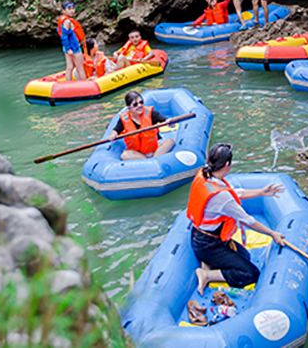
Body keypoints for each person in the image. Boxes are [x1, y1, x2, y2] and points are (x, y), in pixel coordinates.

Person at [188, 143, 286, 295]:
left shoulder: (205, 175)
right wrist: (272, 233)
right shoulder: (221, 197)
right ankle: (206, 274)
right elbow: (247, 220)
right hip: (207, 244)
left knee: (245, 255)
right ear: (227, 164)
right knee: (251, 274)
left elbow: (233, 193)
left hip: (201, 235)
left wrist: (261, 192)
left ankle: (207, 264)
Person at [109, 91, 175, 160]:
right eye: (135, 104)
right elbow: (116, 130)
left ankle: (154, 159)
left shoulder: (151, 113)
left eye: (141, 102)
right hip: (138, 154)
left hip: (155, 149)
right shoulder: (124, 119)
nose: (139, 106)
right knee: (124, 155)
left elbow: (165, 120)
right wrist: (113, 135)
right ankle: (149, 161)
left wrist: (169, 122)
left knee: (170, 141)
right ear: (129, 107)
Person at [56, 0, 87, 81]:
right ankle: (84, 85)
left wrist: (67, 48)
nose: (72, 10)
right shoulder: (67, 22)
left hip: (68, 48)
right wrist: (69, 48)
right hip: (74, 48)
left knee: (70, 67)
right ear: (63, 11)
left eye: (73, 8)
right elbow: (64, 36)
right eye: (69, 8)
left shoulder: (64, 20)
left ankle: (68, 84)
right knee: (80, 68)